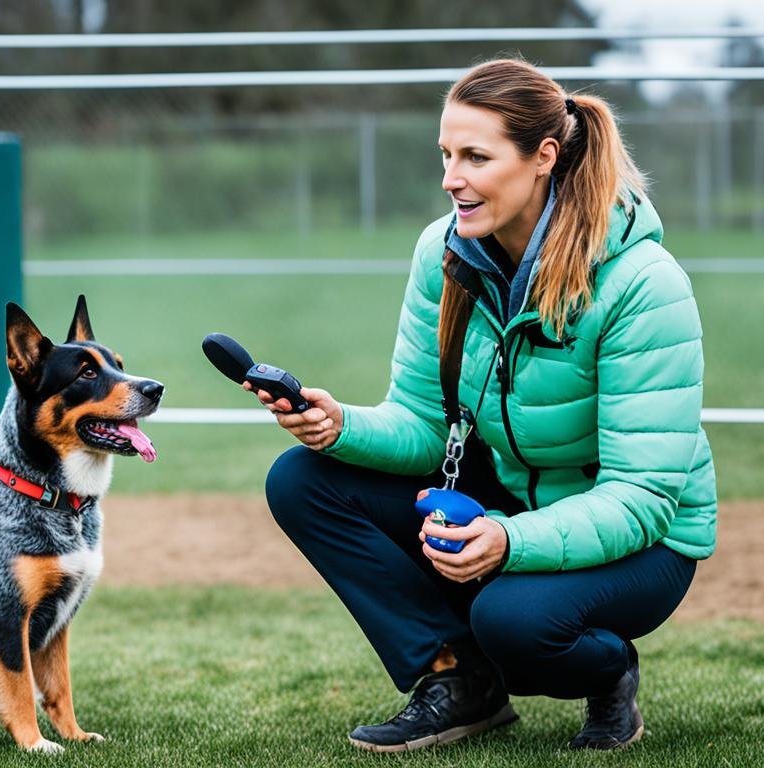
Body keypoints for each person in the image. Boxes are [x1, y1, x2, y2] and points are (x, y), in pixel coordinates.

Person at [251, 57, 717, 753]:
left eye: (475, 156)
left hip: (645, 538)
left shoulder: (645, 286)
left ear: (543, 158)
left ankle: (610, 668)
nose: (450, 178)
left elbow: (642, 496)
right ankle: (458, 680)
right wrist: (337, 425)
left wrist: (508, 540)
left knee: (511, 620)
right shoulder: (444, 253)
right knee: (302, 479)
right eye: (445, 154)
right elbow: (424, 425)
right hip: (510, 496)